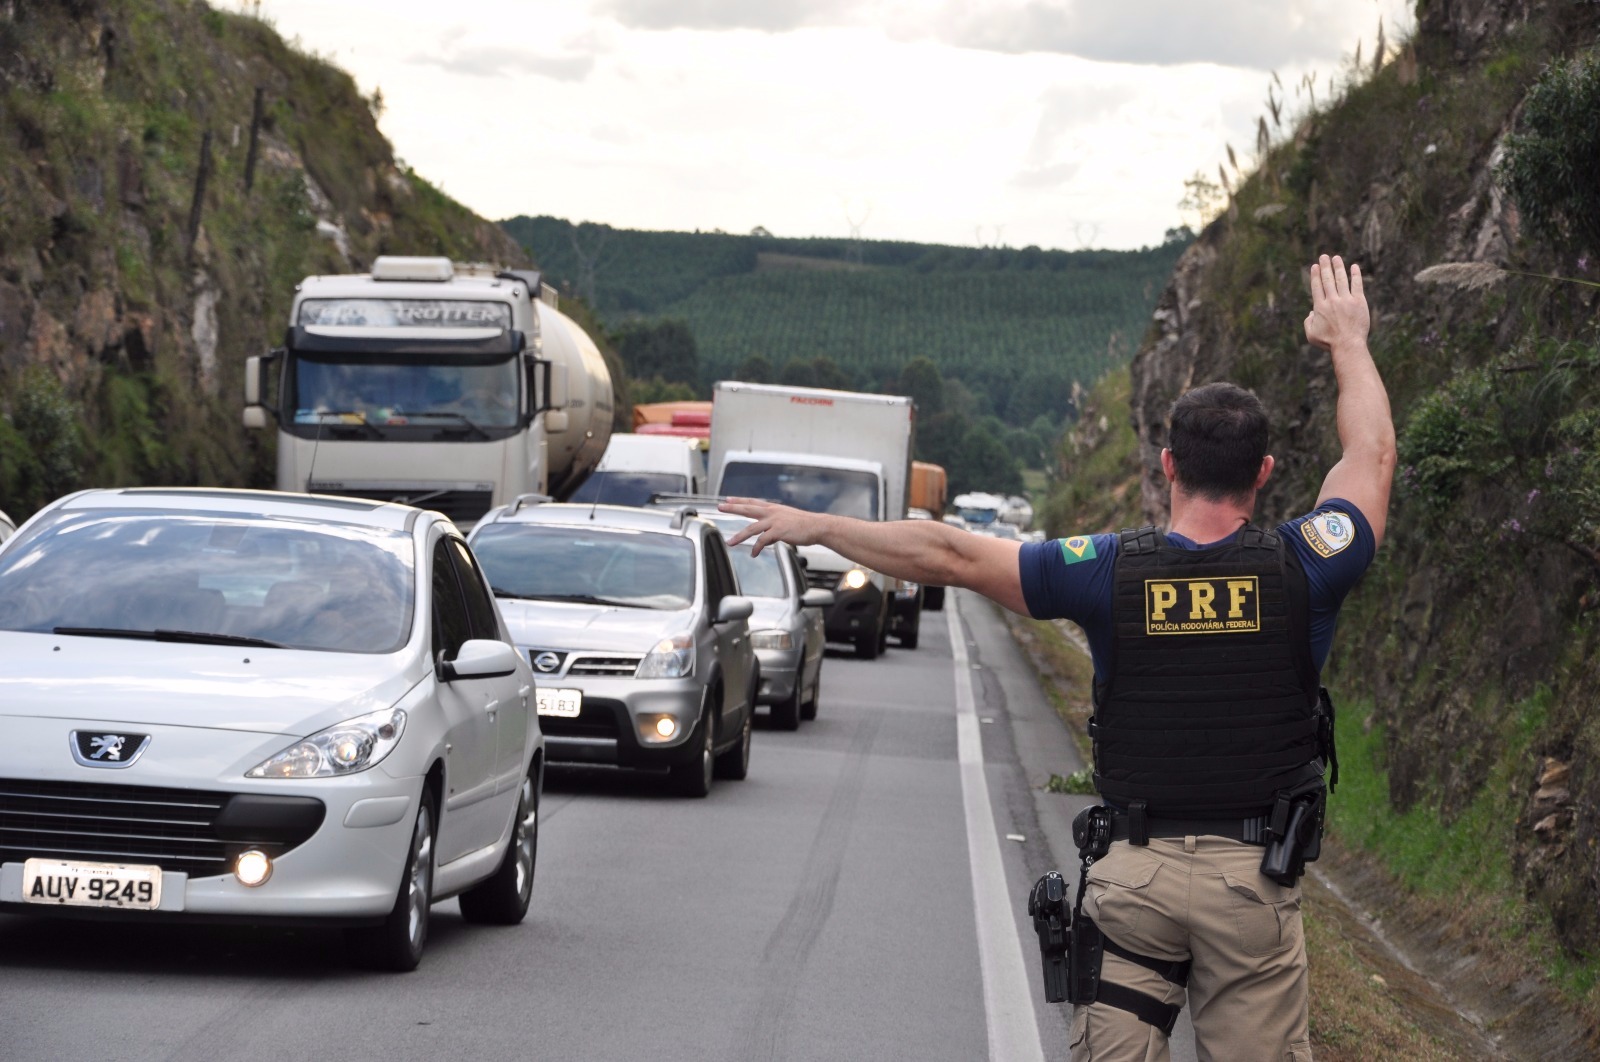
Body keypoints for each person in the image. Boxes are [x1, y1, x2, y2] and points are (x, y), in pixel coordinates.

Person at [720, 254, 1394, 1062]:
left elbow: (948, 553)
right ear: (1266, 474)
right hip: (1251, 884)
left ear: (1168, 465)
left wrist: (820, 525)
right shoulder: (1307, 562)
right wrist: (1346, 340)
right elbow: (1372, 457)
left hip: (1135, 879)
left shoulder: (1104, 567)